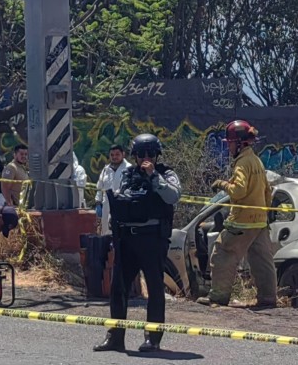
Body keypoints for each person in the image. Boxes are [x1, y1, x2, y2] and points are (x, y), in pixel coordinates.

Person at [93, 134, 181, 353]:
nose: (146, 158)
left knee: (154, 287)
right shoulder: (128, 174)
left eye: (150, 154)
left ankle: (153, 337)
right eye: (141, 154)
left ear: (157, 155)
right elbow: (121, 197)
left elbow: (173, 196)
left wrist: (153, 176)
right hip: (127, 239)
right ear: (134, 156)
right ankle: (115, 336)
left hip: (152, 239)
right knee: (118, 288)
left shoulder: (166, 174)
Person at [197, 120, 278, 309]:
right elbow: (267, 190)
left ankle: (217, 297)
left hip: (241, 222)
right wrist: (264, 214)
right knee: (262, 259)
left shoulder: (242, 163)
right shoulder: (256, 161)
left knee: (222, 253)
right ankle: (268, 298)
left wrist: (222, 184)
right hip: (259, 221)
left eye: (230, 142)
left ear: (240, 143)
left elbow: (239, 190)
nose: (229, 146)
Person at [94, 144, 133, 236]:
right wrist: (98, 203)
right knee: (106, 233)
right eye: (112, 155)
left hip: (122, 206)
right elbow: (100, 187)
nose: (114, 157)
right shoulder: (106, 170)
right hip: (106, 206)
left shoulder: (129, 169)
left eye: (117, 154)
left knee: (120, 234)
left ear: (123, 154)